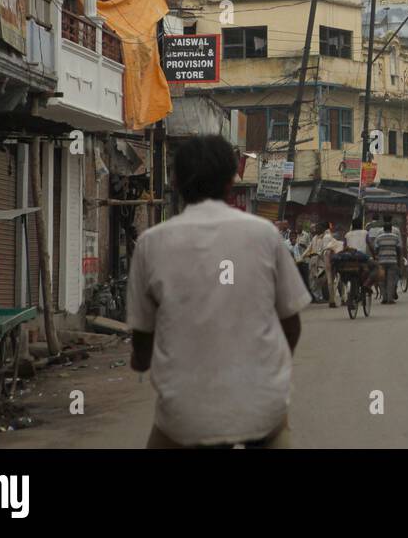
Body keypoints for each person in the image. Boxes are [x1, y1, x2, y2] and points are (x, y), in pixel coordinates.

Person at [128, 135, 309, 447]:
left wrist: (141, 361)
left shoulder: (150, 243)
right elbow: (291, 324)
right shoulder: (264, 234)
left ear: (175, 181)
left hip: (184, 420)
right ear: (231, 181)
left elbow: (143, 337)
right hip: (261, 410)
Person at [312, 222, 342, 307]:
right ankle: (341, 298)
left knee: (330, 279)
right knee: (338, 278)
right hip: (332, 256)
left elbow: (323, 251)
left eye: (318, 227)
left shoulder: (325, 236)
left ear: (323, 228)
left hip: (326, 256)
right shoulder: (328, 236)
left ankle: (331, 300)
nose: (316, 230)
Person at [373, 217, 403, 303]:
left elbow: (376, 249)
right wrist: (399, 260)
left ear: (383, 229)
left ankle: (384, 298)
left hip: (381, 262)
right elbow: (399, 249)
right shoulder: (395, 237)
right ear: (391, 229)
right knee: (391, 280)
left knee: (381, 280)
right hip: (392, 261)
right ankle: (390, 299)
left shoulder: (379, 237)